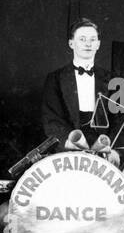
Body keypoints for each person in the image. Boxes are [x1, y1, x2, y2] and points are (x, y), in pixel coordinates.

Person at [41, 18, 118, 146]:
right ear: (71, 43)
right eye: (82, 39)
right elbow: (51, 119)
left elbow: (119, 120)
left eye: (92, 40)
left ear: (98, 44)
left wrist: (110, 146)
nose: (88, 44)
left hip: (103, 146)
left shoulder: (112, 79)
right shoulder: (55, 78)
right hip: (68, 145)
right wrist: (70, 143)